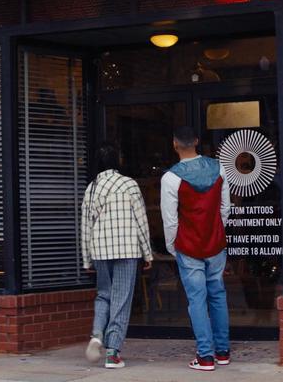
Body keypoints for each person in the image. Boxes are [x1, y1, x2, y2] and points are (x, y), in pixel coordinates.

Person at [160, 126, 232, 371]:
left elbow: (170, 220)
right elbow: (225, 208)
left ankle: (205, 357)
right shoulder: (219, 168)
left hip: (188, 245)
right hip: (216, 243)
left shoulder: (170, 178)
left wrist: (172, 246)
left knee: (197, 300)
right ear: (197, 142)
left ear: (174, 144)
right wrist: (217, 230)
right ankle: (222, 352)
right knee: (218, 294)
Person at [81, 142, 153, 369]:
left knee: (104, 295)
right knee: (121, 299)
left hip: (101, 251)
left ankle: (96, 335)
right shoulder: (129, 184)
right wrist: (148, 253)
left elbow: (86, 227)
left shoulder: (91, 188)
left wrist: (87, 259)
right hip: (127, 250)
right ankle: (112, 353)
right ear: (117, 161)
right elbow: (141, 221)